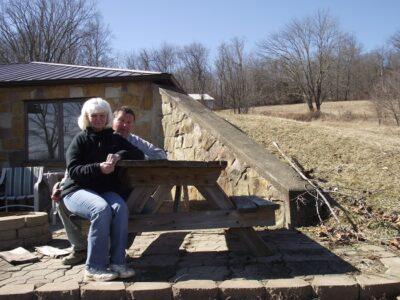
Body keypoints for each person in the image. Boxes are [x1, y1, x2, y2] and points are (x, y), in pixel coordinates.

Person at [54, 105, 167, 266]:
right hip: (94, 188)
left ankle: (119, 248)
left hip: (125, 191)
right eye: (120, 120)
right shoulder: (96, 138)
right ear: (112, 120)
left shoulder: (134, 141)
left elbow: (160, 155)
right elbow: (74, 166)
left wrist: (127, 157)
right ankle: (80, 249)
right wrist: (61, 184)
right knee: (60, 199)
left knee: (147, 205)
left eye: (129, 122)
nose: (124, 125)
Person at [61, 97, 144, 282]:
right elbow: (73, 170)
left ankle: (117, 263)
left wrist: (118, 155)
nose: (98, 119)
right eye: (94, 116)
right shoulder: (80, 139)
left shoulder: (114, 138)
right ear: (87, 117)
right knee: (100, 209)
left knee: (121, 208)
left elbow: (139, 154)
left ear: (107, 117)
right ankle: (94, 267)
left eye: (102, 115)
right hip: (76, 191)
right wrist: (99, 168)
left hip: (103, 190)